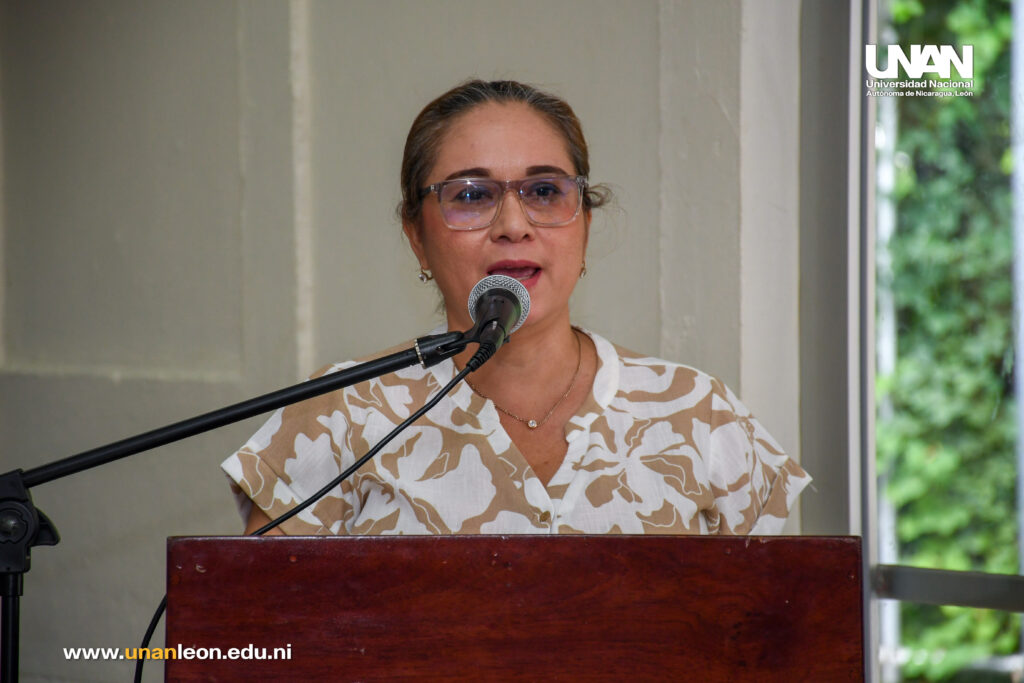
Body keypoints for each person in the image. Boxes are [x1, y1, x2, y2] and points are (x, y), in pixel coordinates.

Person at [222, 79, 810, 536]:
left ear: (584, 225)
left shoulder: (700, 415)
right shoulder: (338, 413)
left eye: (544, 191)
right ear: (416, 236)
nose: (513, 225)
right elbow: (258, 635)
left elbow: (778, 629)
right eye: (471, 195)